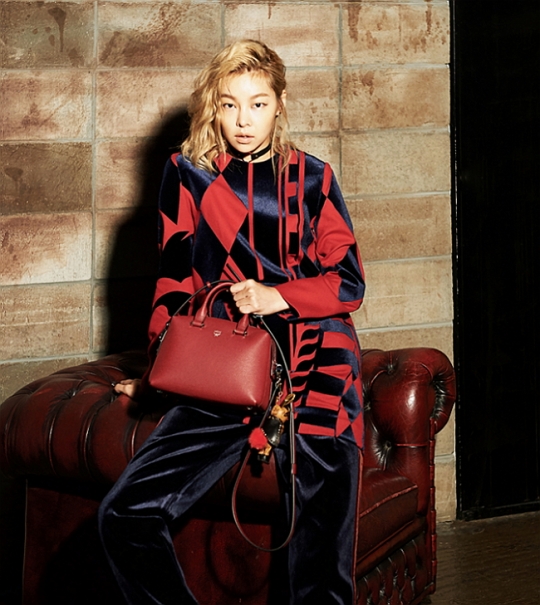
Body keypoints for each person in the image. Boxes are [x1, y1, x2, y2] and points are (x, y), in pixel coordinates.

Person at [98, 39, 365, 605]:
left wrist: (277, 295)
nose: (243, 121)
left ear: (280, 103)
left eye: (258, 104)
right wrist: (159, 372)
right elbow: (174, 279)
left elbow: (348, 282)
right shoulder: (188, 173)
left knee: (321, 566)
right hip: (225, 363)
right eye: (229, 104)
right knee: (126, 514)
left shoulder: (313, 177)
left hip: (315, 362)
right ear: (213, 107)